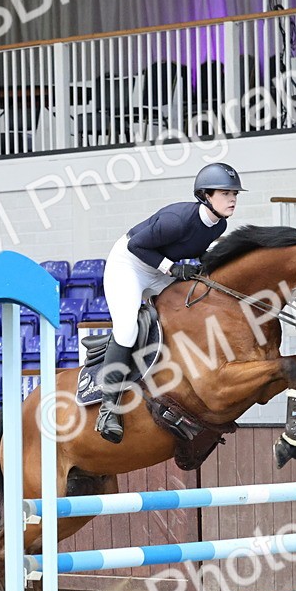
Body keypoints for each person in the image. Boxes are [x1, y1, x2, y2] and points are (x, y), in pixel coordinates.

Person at [94, 162, 245, 443]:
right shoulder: (178, 219)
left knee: (194, 306)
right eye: (225, 193)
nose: (233, 198)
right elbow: (135, 246)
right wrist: (173, 269)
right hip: (128, 266)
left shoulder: (219, 224)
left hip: (156, 270)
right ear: (206, 196)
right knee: (127, 328)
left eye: (235, 193)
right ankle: (108, 408)